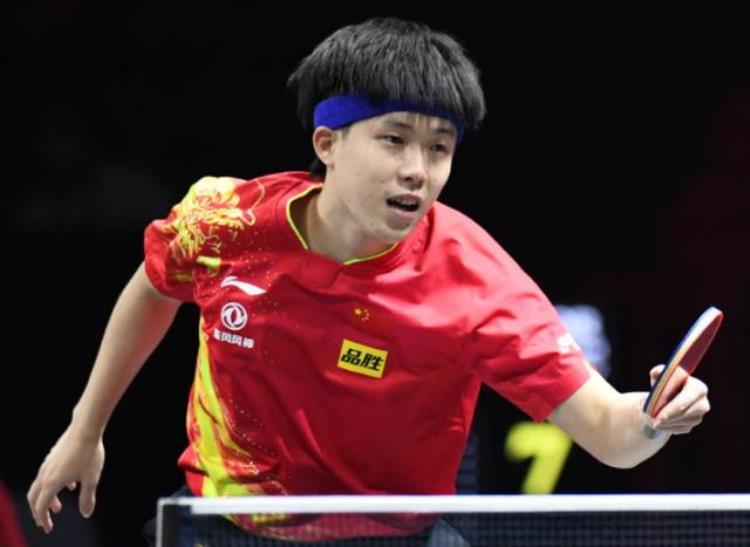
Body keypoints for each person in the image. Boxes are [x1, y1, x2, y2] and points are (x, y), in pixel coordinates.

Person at [27, 17, 710, 545]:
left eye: (439, 148)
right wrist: (86, 429)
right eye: (394, 139)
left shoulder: (475, 280)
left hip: (393, 538)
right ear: (327, 143)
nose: (419, 169)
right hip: (224, 526)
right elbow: (154, 285)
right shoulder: (227, 224)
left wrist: (652, 420)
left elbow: (610, 433)